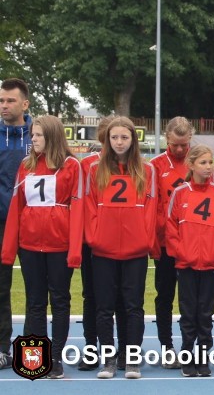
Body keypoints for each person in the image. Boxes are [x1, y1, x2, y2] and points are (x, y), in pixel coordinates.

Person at [1, 115, 83, 379]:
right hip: (30, 246)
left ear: (52, 136)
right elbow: (16, 207)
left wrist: (75, 250)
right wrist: (8, 249)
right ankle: (36, 358)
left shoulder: (71, 166)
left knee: (59, 300)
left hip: (59, 245)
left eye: (37, 135)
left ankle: (56, 358)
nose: (33, 139)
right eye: (32, 135)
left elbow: (78, 209)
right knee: (35, 301)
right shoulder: (26, 166)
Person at [85, 117, 159, 379]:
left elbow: (151, 209)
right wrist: (94, 237)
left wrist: (145, 240)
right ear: (107, 140)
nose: (118, 142)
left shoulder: (146, 171)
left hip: (135, 251)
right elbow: (90, 206)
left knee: (133, 306)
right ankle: (108, 359)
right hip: (103, 249)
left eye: (124, 137)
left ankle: (131, 358)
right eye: (114, 137)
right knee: (104, 307)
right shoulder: (95, 170)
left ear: (133, 140)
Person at [166, 144, 214, 377]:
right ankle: (187, 356)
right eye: (202, 162)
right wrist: (180, 252)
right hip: (186, 265)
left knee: (205, 314)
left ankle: (203, 357)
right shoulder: (180, 193)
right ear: (191, 165)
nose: (207, 167)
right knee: (188, 313)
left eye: (210, 162)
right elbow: (171, 226)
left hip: (210, 265)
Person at [78, 115, 127, 372]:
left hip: (116, 240)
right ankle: (90, 349)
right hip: (92, 240)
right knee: (91, 297)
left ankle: (120, 350)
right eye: (111, 136)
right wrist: (89, 235)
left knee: (118, 296)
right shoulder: (87, 165)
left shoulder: (127, 166)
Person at [151, 116, 194, 368]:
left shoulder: (197, 162)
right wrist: (156, 238)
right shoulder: (156, 166)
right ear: (166, 139)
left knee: (191, 299)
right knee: (164, 295)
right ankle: (167, 347)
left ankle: (190, 348)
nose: (179, 150)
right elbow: (153, 207)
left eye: (183, 145)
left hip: (193, 244)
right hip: (167, 244)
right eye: (174, 145)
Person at [0, 78, 31, 370]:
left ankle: (39, 350)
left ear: (25, 104)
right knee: (1, 287)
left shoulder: (39, 135)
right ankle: (2, 349)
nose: (4, 106)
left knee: (38, 291)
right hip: (1, 224)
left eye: (10, 101)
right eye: (1, 101)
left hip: (34, 226)